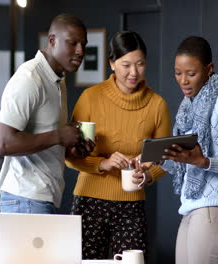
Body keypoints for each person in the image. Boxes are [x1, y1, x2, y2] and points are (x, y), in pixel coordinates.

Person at [65, 31, 171, 259]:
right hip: (89, 201)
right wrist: (102, 163)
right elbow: (71, 156)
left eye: (140, 64)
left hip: (131, 205)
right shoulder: (90, 98)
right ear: (111, 63)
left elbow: (166, 158)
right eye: (126, 65)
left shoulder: (157, 105)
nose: (134, 73)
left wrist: (148, 175)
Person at [159, 36, 218, 264]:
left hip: (216, 209)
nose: (183, 81)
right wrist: (156, 159)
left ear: (209, 69)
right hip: (190, 206)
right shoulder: (186, 107)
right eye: (178, 73)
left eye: (191, 73)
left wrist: (205, 162)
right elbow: (185, 163)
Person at [0, 14, 93, 214]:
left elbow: (44, 141)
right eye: (73, 43)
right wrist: (59, 135)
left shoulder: (57, 79)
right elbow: (3, 143)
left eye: (83, 44)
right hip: (25, 198)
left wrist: (72, 151)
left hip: (41, 197)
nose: (80, 51)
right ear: (52, 41)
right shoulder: (30, 78)